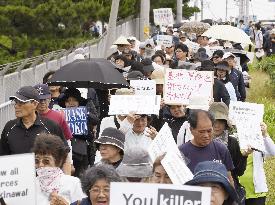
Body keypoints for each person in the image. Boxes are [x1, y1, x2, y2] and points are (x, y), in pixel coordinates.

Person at [0, 86, 67, 155]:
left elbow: (64, 153)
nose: (16, 106)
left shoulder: (51, 126)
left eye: (21, 102)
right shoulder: (9, 127)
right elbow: (2, 156)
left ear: (35, 104)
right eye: (16, 102)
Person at [179, 110, 235, 184]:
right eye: (201, 132)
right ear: (191, 130)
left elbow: (229, 179)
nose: (206, 135)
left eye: (209, 131)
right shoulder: (182, 152)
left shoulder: (221, 149)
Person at [209, 102, 249, 204]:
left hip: (229, 191)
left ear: (226, 123)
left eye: (221, 122)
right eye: (214, 121)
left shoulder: (232, 142)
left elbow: (239, 172)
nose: (217, 125)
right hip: (207, 190)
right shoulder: (202, 141)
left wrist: (244, 156)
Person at [59, 87, 99, 177]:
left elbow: (95, 120)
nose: (71, 103)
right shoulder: (60, 115)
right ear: (65, 103)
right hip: (65, 150)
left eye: (74, 100)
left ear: (79, 102)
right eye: (68, 101)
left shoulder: (84, 114)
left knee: (81, 176)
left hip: (81, 151)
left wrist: (85, 113)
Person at [34, 133, 84, 205]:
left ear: (58, 162)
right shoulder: (32, 185)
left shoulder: (73, 183)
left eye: (46, 161)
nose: (40, 165)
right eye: (37, 161)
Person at [239, 122, 275, 205]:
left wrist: (265, 134)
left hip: (257, 193)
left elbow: (273, 152)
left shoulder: (258, 142)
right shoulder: (233, 141)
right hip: (236, 191)